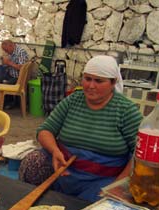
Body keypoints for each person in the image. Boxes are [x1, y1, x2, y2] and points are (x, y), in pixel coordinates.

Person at [19, 55, 143, 202]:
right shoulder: (73, 101)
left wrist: (118, 185)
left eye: (98, 81)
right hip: (63, 169)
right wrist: (55, 151)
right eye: (87, 78)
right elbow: (45, 130)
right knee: (33, 163)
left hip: (101, 180)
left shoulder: (126, 111)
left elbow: (140, 154)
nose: (91, 85)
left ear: (113, 82)